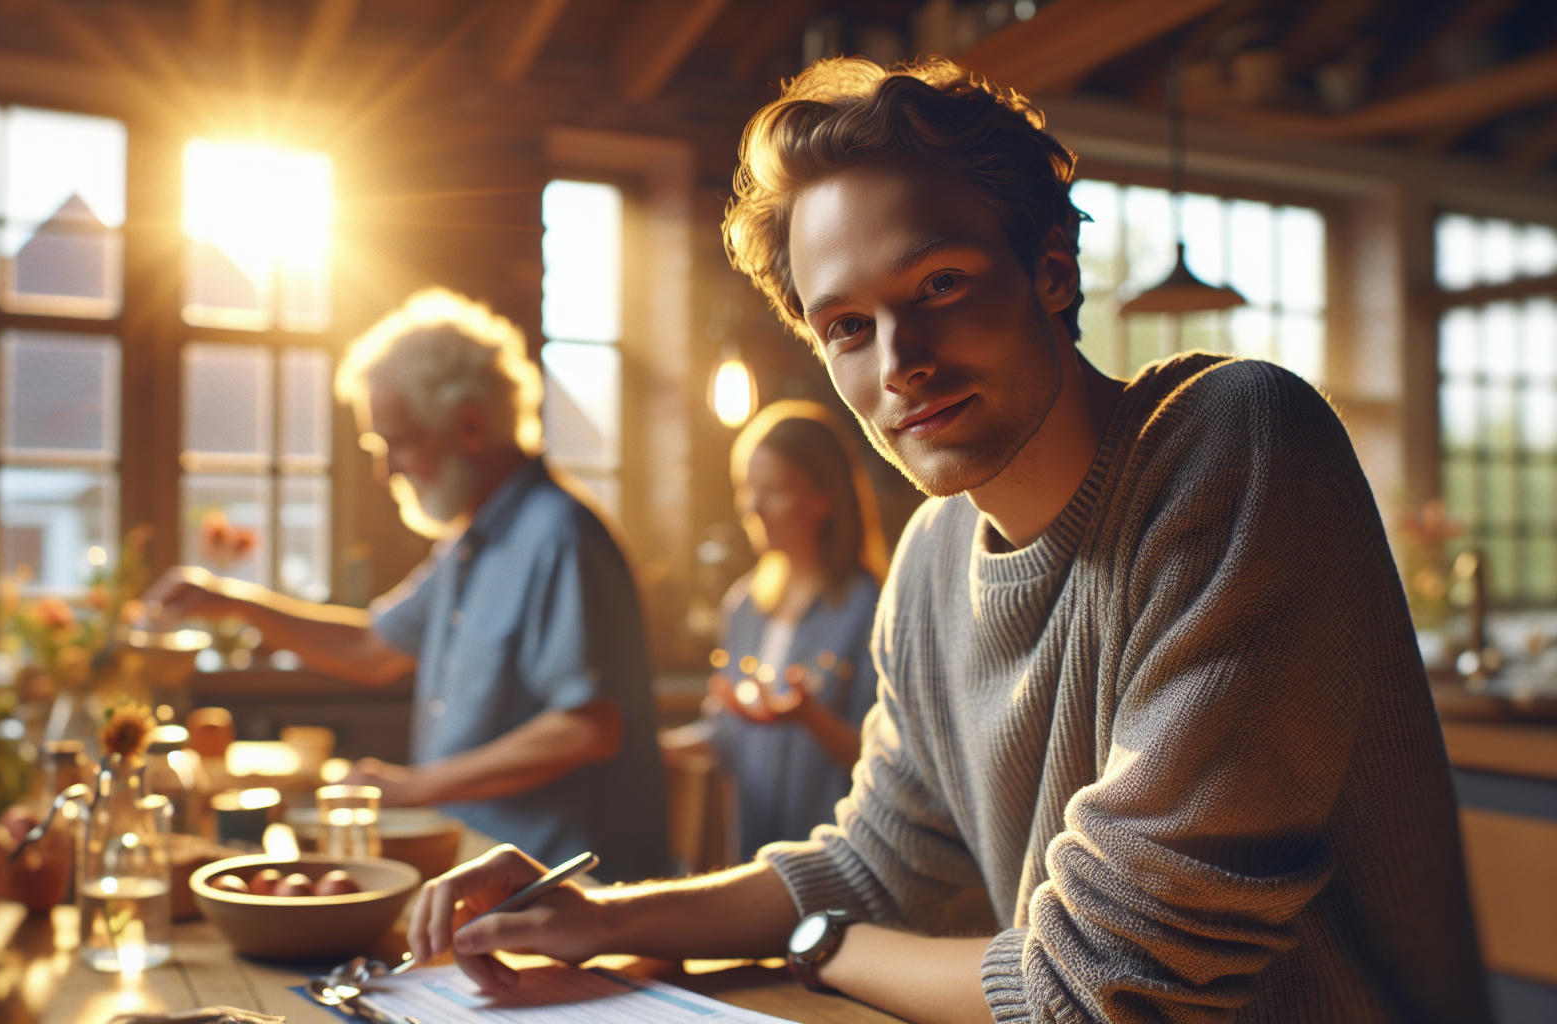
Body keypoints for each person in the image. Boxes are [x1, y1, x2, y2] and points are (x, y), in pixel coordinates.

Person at [404, 57, 1488, 1023]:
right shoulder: (928, 559)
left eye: (938, 286)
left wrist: (825, 950)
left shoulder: (1232, 443)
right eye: (846, 327)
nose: (899, 361)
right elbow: (876, 864)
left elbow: (1104, 988)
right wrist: (596, 915)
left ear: (1052, 272)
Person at [145, 287, 670, 882]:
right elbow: (373, 648)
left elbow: (588, 729)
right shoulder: (471, 542)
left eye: (396, 443)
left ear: (469, 426)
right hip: (486, 874)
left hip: (568, 889)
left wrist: (418, 786)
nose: (385, 469)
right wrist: (228, 600)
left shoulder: (560, 536)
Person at [662, 400, 887, 860]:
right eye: (747, 488)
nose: (753, 506)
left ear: (823, 497)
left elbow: (883, 760)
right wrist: (656, 747)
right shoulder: (744, 604)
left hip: (837, 858)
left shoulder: (871, 607)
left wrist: (810, 719)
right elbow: (727, 736)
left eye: (774, 490)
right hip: (752, 854)